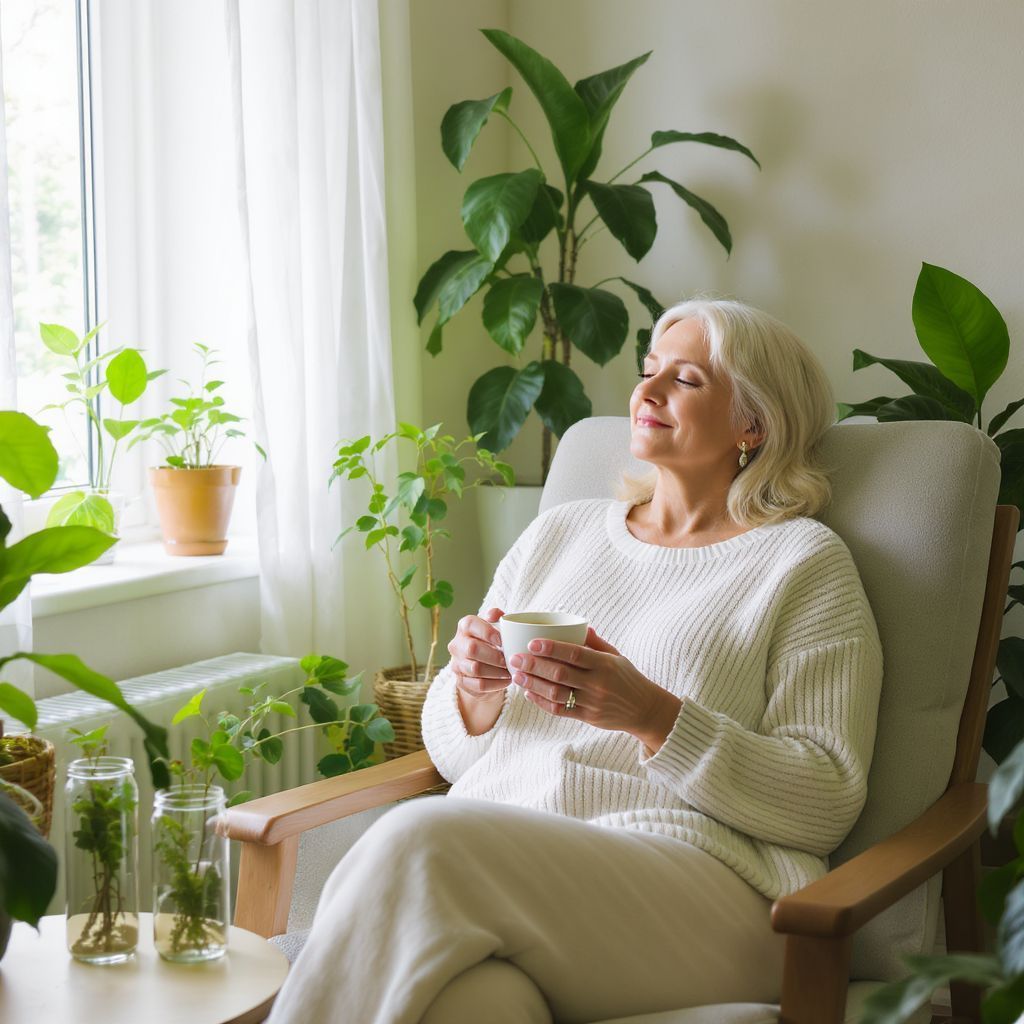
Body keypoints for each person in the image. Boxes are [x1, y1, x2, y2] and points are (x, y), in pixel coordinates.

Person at [268, 298, 884, 1024]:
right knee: (468, 1005)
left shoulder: (802, 563)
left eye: (684, 380)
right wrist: (472, 692)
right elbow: (457, 752)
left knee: (416, 838)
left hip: (707, 892)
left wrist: (653, 716)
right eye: (648, 371)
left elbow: (826, 797)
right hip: (517, 880)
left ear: (753, 423)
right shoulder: (560, 535)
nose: (645, 393)